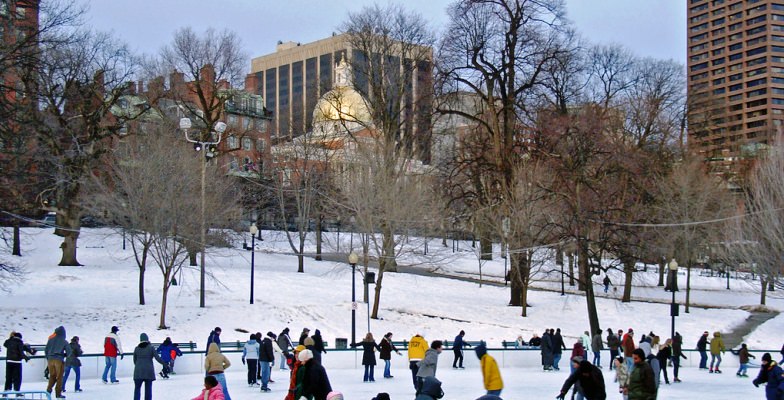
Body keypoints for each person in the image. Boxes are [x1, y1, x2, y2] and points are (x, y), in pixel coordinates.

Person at [132, 333, 166, 400]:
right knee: (148, 390)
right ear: (147, 339)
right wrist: (164, 364)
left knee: (137, 389)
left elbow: (134, 360)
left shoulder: (136, 348)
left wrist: (138, 366)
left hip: (138, 371)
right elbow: (157, 358)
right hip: (148, 371)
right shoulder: (151, 347)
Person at [45, 326, 70, 399]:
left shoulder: (50, 340)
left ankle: (48, 391)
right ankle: (58, 393)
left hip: (50, 360)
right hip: (59, 360)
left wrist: (48, 357)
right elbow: (69, 352)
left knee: (52, 376)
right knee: (59, 377)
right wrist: (64, 355)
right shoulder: (64, 341)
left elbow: (46, 350)